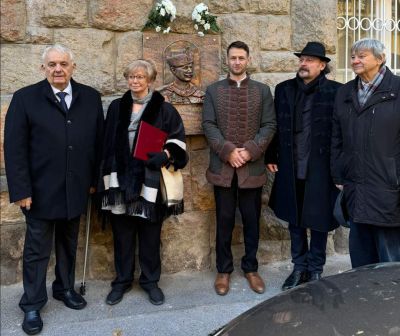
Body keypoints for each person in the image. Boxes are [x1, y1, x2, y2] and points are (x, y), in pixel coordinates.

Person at [4, 44, 104, 335]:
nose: (58, 69)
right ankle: (32, 303)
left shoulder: (91, 97)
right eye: (52, 64)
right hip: (39, 192)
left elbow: (97, 143)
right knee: (37, 250)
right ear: (43, 68)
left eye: (63, 63)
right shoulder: (25, 99)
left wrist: (94, 181)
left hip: (76, 189)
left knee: (68, 245)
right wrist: (21, 189)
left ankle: (64, 288)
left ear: (73, 67)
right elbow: (14, 149)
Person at [99, 59, 188, 306]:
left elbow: (178, 140)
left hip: (149, 181)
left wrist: (166, 154)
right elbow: (106, 142)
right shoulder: (117, 107)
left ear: (150, 81)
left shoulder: (164, 109)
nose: (134, 81)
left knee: (150, 235)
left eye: (140, 77)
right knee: (122, 235)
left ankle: (150, 281)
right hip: (119, 179)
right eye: (131, 77)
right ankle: (122, 281)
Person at [265, 42, 342, 291]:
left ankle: (316, 269)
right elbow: (276, 125)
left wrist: (340, 168)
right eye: (302, 59)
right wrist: (271, 154)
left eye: (310, 60)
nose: (304, 63)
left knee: (319, 221)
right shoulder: (284, 89)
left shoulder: (336, 92)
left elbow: (340, 134)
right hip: (291, 166)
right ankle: (299, 267)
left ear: (322, 65)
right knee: (295, 220)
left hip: (321, 169)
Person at [202, 41, 276, 296]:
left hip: (251, 168)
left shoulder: (262, 91)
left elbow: (269, 125)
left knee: (251, 220)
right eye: (233, 58)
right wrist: (228, 151)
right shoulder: (213, 90)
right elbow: (208, 125)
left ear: (248, 60)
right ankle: (223, 270)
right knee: (223, 220)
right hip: (223, 167)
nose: (237, 62)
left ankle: (251, 268)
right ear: (227, 60)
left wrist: (250, 151)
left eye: (241, 58)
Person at [331, 38, 400, 267]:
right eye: (352, 56)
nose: (355, 60)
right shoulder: (345, 92)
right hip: (355, 188)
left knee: (389, 261)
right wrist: (339, 174)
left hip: (388, 189)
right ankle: (362, 303)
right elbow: (336, 137)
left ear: (380, 59)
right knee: (360, 261)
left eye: (362, 55)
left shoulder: (397, 90)